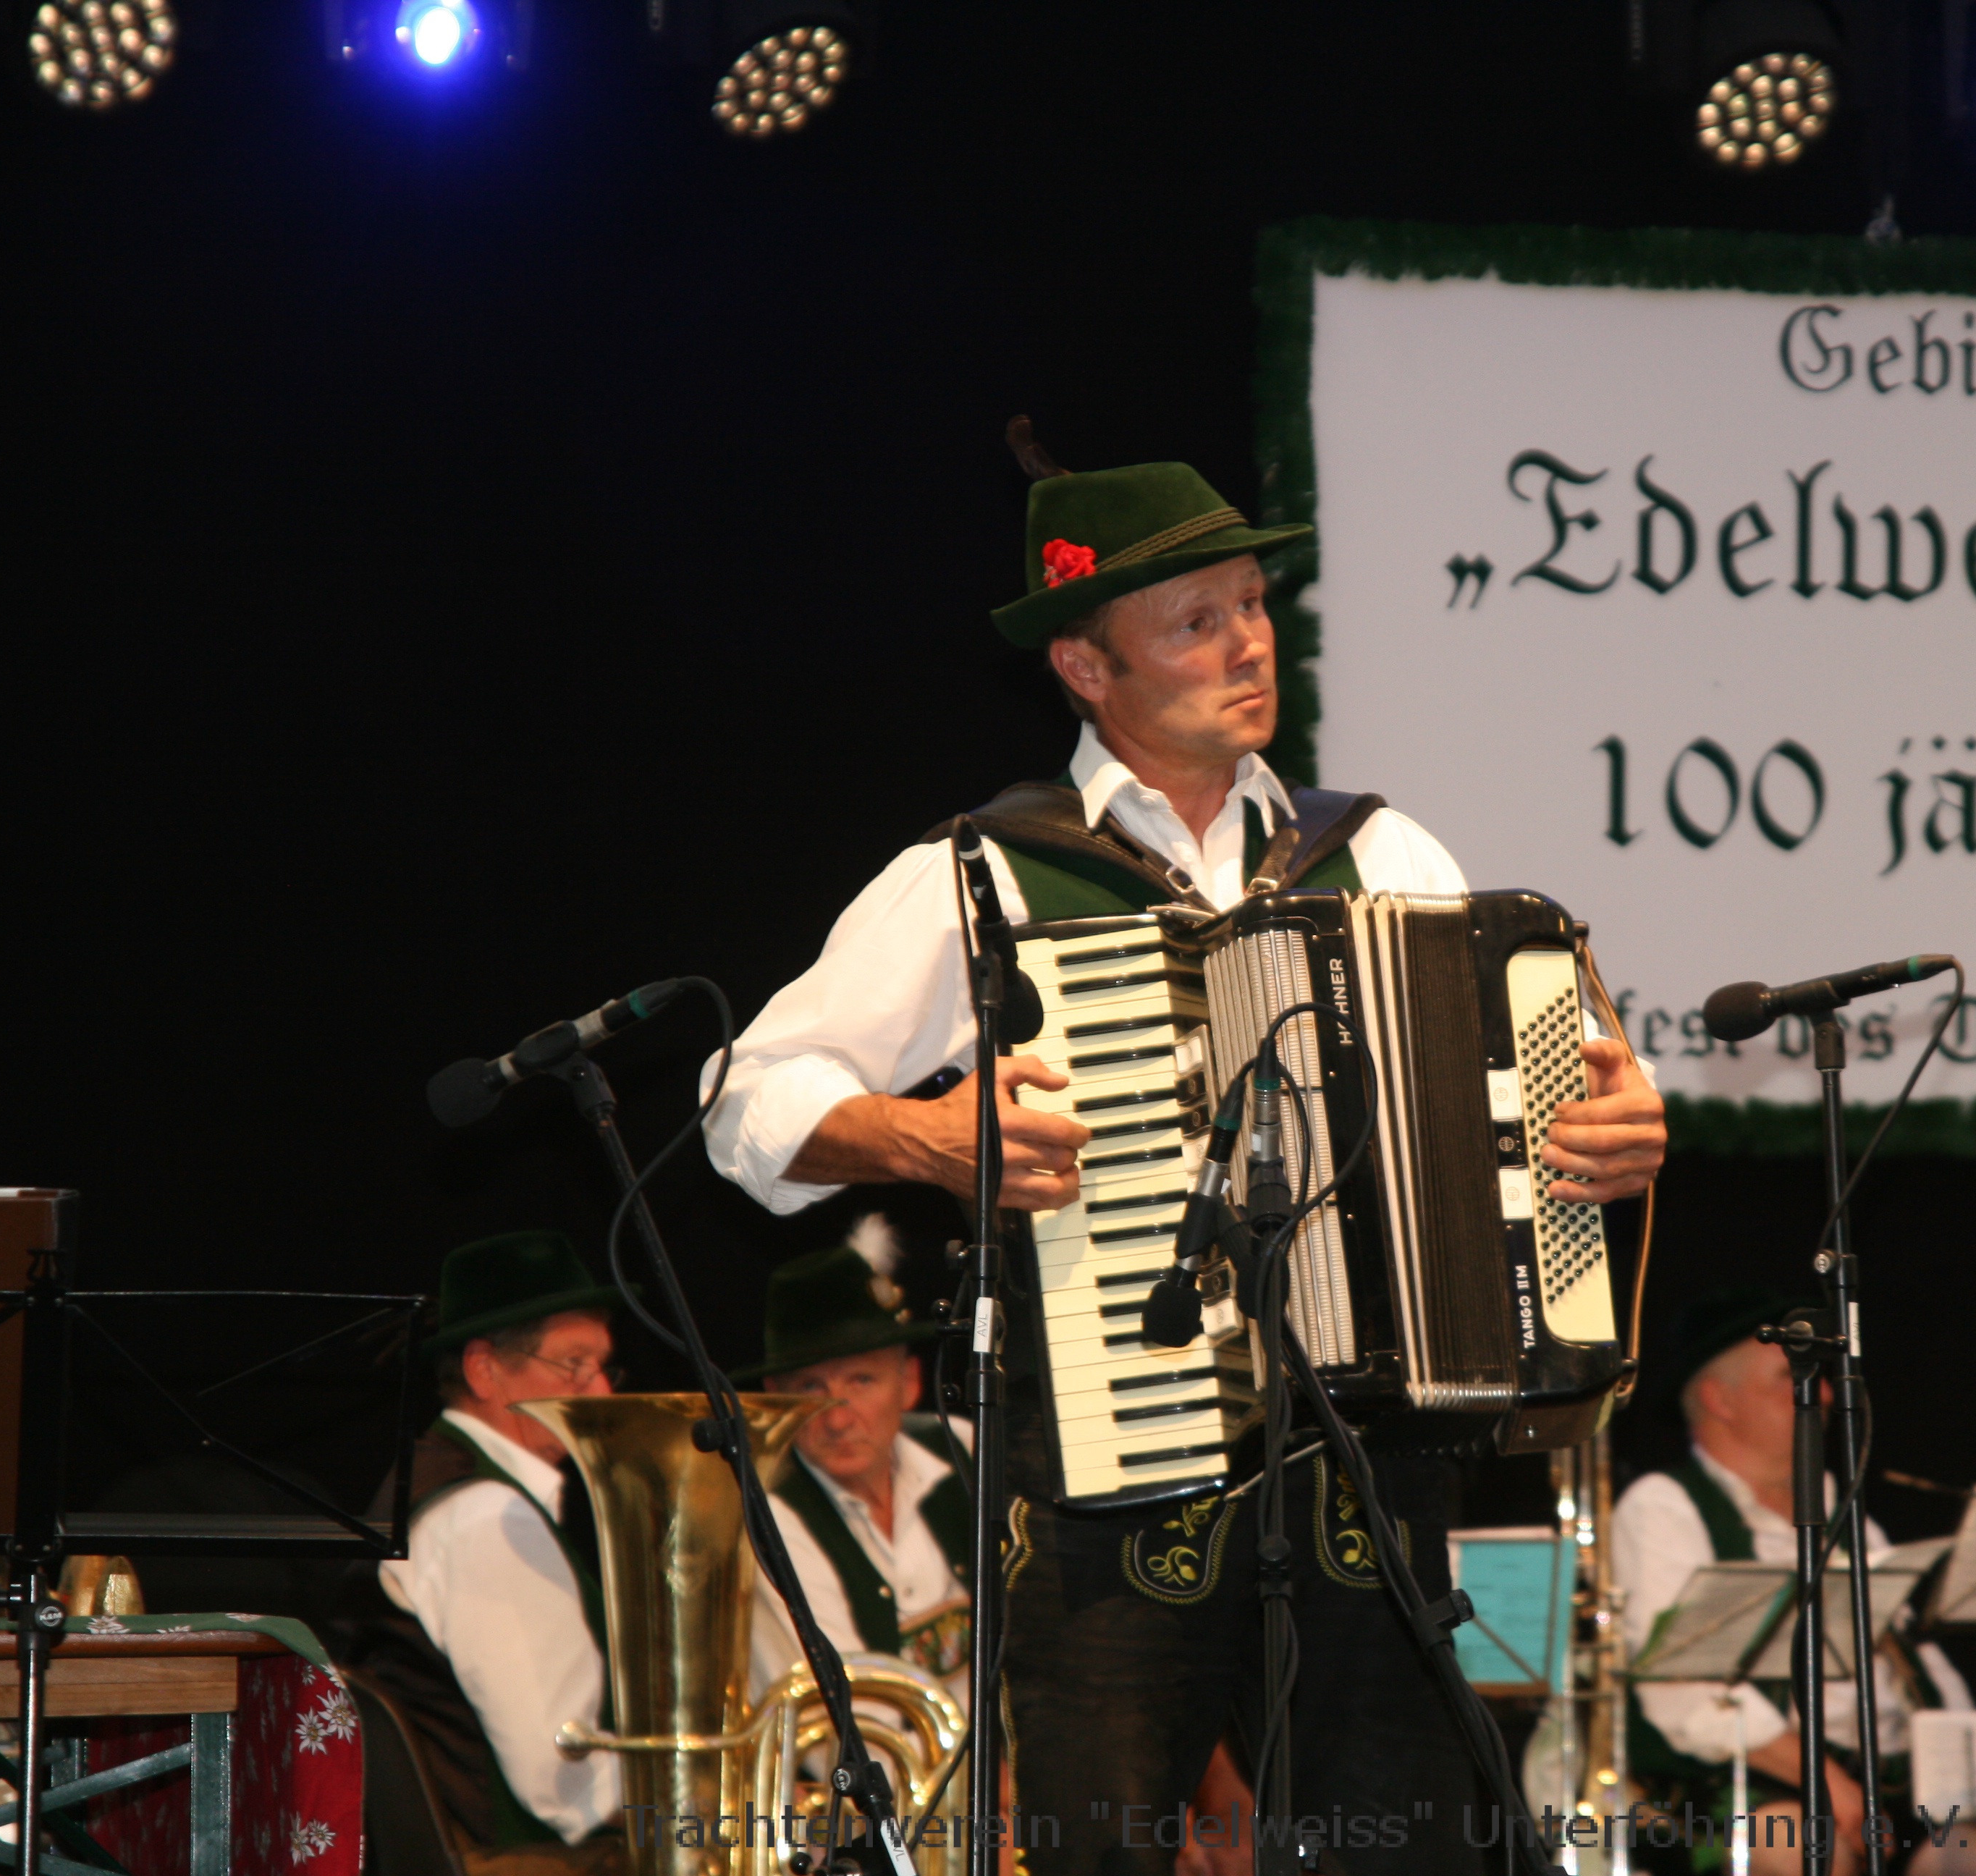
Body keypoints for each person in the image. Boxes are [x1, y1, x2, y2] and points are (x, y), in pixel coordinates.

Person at [704, 442, 1667, 1874]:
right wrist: (927, 1135)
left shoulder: (1381, 853)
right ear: (1085, 667)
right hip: (1112, 1478)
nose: (1247, 642)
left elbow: (1567, 1073)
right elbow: (745, 1099)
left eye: (1253, 606)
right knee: (1101, 1849)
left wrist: (1613, 1126)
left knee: (1399, 1849)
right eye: (1196, 621)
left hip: (1365, 1470)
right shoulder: (988, 873)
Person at [1613, 1294, 1976, 1876]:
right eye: (1792, 1379)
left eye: (1819, 1379)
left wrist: (1969, 1769)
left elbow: (1909, 1653)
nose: (1824, 1395)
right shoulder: (1665, 1507)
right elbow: (1681, 1691)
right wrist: (1821, 1776)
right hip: (1744, 1782)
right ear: (1720, 1400)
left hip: (1891, 1778)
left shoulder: (1836, 1505)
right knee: (1808, 1849)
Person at [336, 1232, 628, 1875]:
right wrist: (715, 1806)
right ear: (484, 1369)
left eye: (603, 1367)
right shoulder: (488, 1518)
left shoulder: (447, 1486)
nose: (601, 1393)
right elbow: (564, 1781)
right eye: (574, 1364)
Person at [740, 1246, 975, 1686]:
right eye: (811, 1388)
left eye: (861, 1380)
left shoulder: (962, 1447)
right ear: (775, 1400)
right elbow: (852, 1711)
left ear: (910, 1382)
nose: (838, 1420)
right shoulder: (772, 1525)